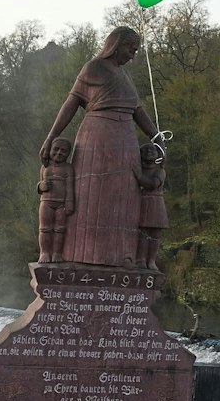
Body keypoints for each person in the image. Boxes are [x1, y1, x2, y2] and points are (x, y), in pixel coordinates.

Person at [39, 26, 160, 269]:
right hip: (96, 136)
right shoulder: (93, 68)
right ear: (116, 44)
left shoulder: (124, 76)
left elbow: (138, 110)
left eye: (136, 50)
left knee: (123, 198)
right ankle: (82, 254)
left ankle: (121, 256)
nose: (133, 54)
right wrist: (52, 136)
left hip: (125, 140)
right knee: (90, 196)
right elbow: (71, 103)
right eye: (130, 48)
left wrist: (155, 134)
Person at [36, 137, 74, 263]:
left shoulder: (68, 168)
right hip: (46, 202)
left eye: (63, 151)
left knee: (60, 229)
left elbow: (70, 187)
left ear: (68, 154)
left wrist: (70, 202)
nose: (59, 153)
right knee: (44, 229)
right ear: (50, 150)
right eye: (56, 149)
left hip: (61, 204)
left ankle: (57, 253)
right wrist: (41, 186)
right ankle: (44, 253)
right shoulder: (45, 167)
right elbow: (40, 184)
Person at [134, 142, 167, 271]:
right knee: (143, 232)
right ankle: (141, 259)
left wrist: (139, 177)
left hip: (156, 202)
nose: (149, 152)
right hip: (142, 202)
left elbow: (153, 183)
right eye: (145, 150)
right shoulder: (139, 168)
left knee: (155, 233)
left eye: (152, 150)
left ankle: (151, 260)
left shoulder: (160, 171)